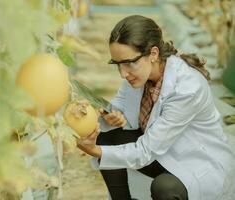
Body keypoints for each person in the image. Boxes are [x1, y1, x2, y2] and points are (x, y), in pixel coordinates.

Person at [76, 15, 235, 200]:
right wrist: (108, 118)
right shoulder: (137, 77)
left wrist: (95, 151)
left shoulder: (187, 88)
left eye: (128, 63)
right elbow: (115, 110)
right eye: (118, 65)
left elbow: (145, 151)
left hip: (196, 163)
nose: (122, 73)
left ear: (153, 54)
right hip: (164, 153)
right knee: (107, 137)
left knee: (166, 188)